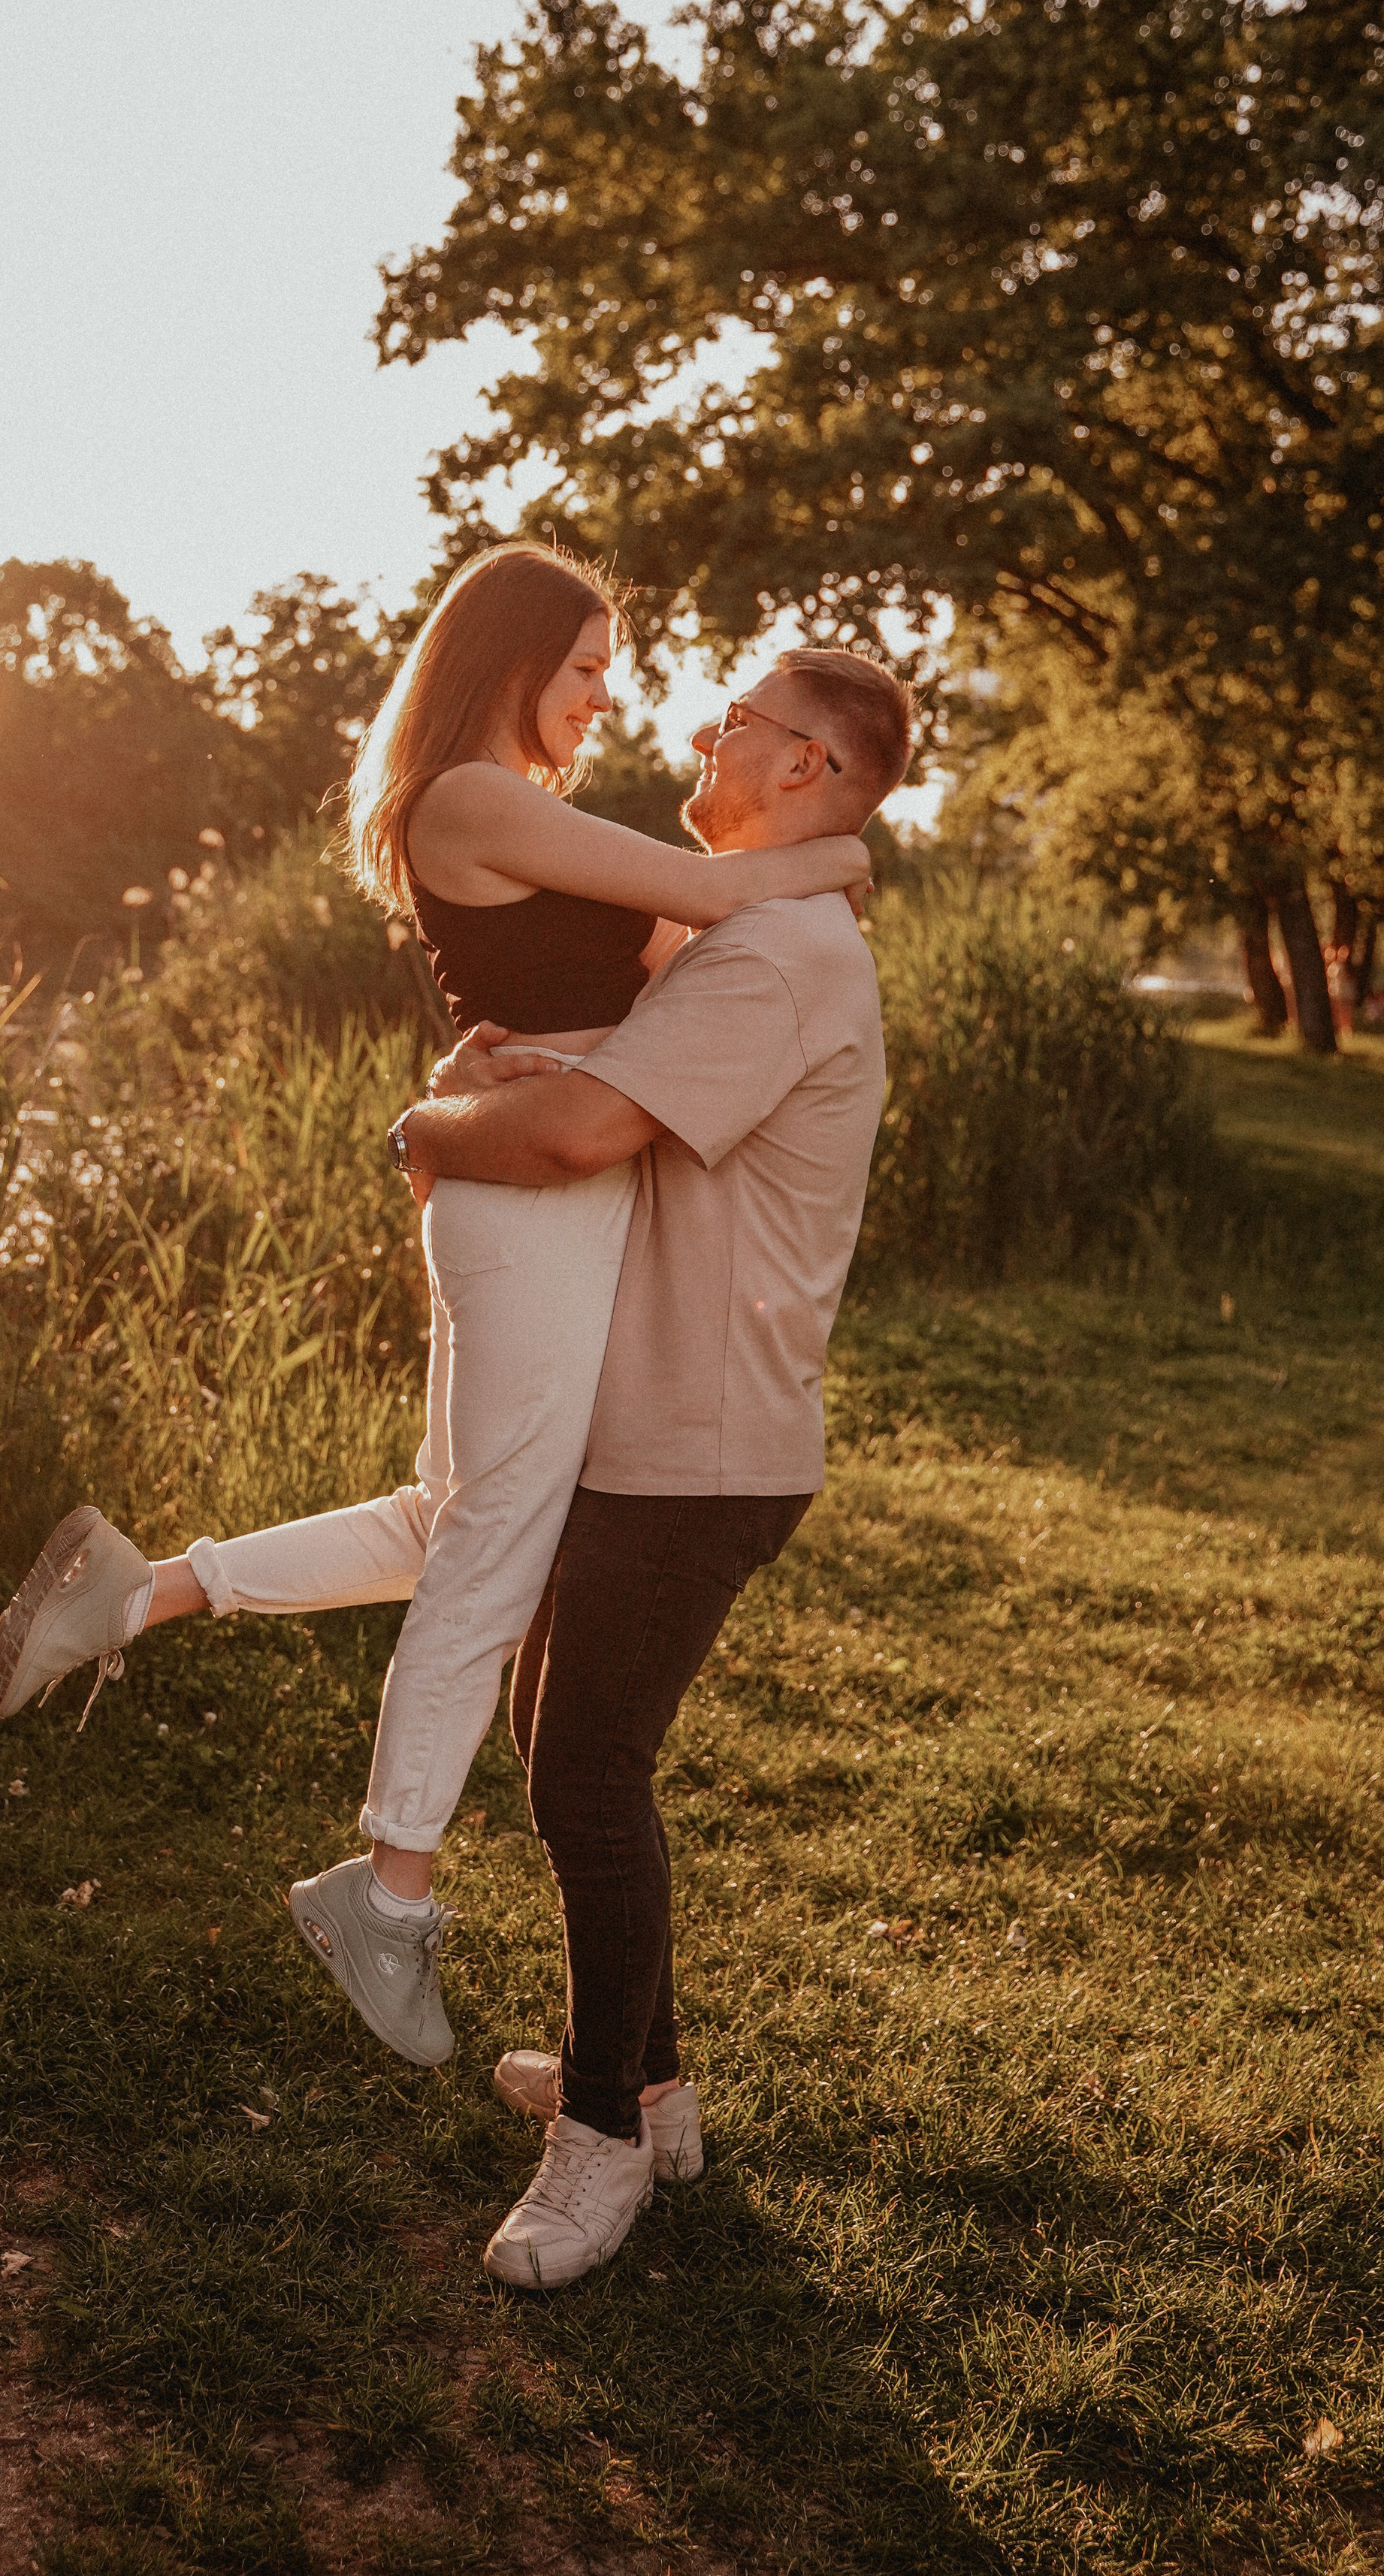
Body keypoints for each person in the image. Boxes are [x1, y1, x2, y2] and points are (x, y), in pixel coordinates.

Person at [0, 541, 871, 2064]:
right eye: (587, 665)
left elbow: (675, 947)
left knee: (447, 1519)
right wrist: (842, 851)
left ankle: (134, 1593)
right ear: (510, 658)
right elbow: (706, 891)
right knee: (497, 1555)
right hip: (532, 1202)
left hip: (537, 1197)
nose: (607, 696)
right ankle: (384, 1902)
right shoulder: (471, 795)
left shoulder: (518, 818)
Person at [391, 642, 911, 2286]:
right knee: (574, 1752)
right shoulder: (742, 931)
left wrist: (414, 1130)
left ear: (804, 771)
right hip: (660, 1432)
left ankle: (600, 2140)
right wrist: (521, 1064)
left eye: (738, 720)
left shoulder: (775, 964)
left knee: (578, 1776)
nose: (702, 729)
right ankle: (657, 2092)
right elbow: (597, 1084)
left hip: (699, 1444)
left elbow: (574, 1140)